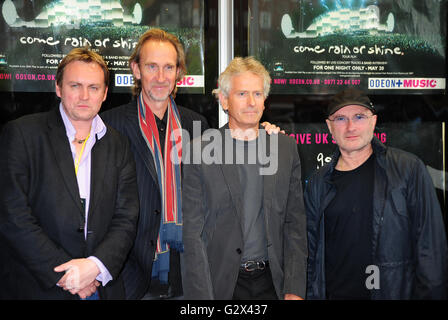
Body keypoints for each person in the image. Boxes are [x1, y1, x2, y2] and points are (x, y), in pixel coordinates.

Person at [0, 47, 139, 299]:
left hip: (100, 287)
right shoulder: (22, 134)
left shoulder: (119, 144)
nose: (84, 96)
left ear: (105, 93)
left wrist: (95, 267)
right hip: (38, 286)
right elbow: (12, 214)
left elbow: (126, 217)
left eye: (94, 87)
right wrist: (66, 275)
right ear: (58, 88)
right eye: (75, 85)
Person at [182, 56, 308, 300]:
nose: (251, 103)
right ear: (224, 100)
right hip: (222, 285)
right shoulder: (199, 151)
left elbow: (295, 225)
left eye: (258, 94)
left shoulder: (285, 148)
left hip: (273, 283)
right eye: (242, 94)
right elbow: (192, 236)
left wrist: (294, 288)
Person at [305, 88, 448, 300]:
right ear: (329, 127)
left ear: (373, 122)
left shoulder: (408, 169)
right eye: (341, 118)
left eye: (359, 117)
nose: (351, 126)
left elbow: (431, 250)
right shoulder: (318, 182)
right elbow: (309, 253)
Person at [101, 28, 209, 299]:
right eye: (151, 66)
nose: (161, 77)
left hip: (187, 271)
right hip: (133, 273)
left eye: (168, 67)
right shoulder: (110, 125)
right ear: (136, 69)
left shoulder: (197, 125)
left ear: (178, 73)